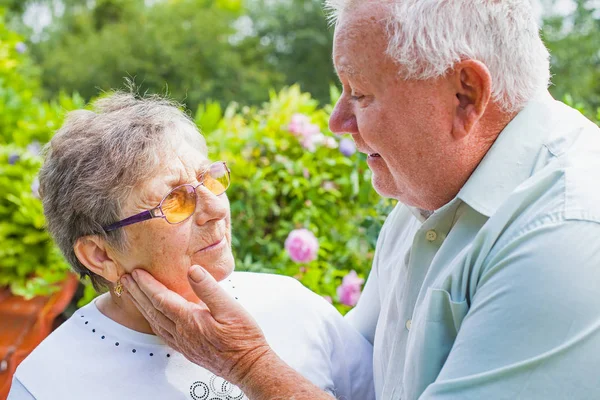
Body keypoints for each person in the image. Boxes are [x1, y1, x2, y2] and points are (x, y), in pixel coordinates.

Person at [122, 0, 600, 399]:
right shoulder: (430, 195)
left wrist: (249, 365)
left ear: (465, 95)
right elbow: (361, 373)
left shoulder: (565, 234)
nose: (337, 120)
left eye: (361, 94)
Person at [7, 93, 375, 400]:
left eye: (209, 179)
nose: (216, 209)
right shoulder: (49, 382)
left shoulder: (293, 306)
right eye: (176, 201)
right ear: (101, 255)